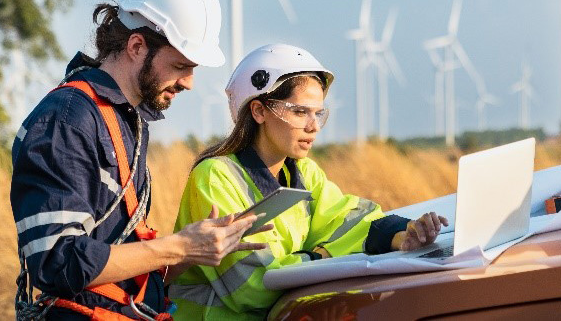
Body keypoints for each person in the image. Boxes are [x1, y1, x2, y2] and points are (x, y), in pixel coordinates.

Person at [10, 0, 272, 320]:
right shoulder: (68, 119)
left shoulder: (124, 120)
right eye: (181, 66)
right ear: (136, 45)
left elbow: (118, 258)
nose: (189, 83)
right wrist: (177, 247)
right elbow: (58, 261)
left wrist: (196, 249)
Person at [170, 43, 448, 320]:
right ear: (259, 111)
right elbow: (253, 286)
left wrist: (403, 235)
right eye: (300, 112)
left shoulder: (304, 173)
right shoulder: (215, 176)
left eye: (318, 113)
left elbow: (350, 221)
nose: (313, 127)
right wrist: (322, 258)